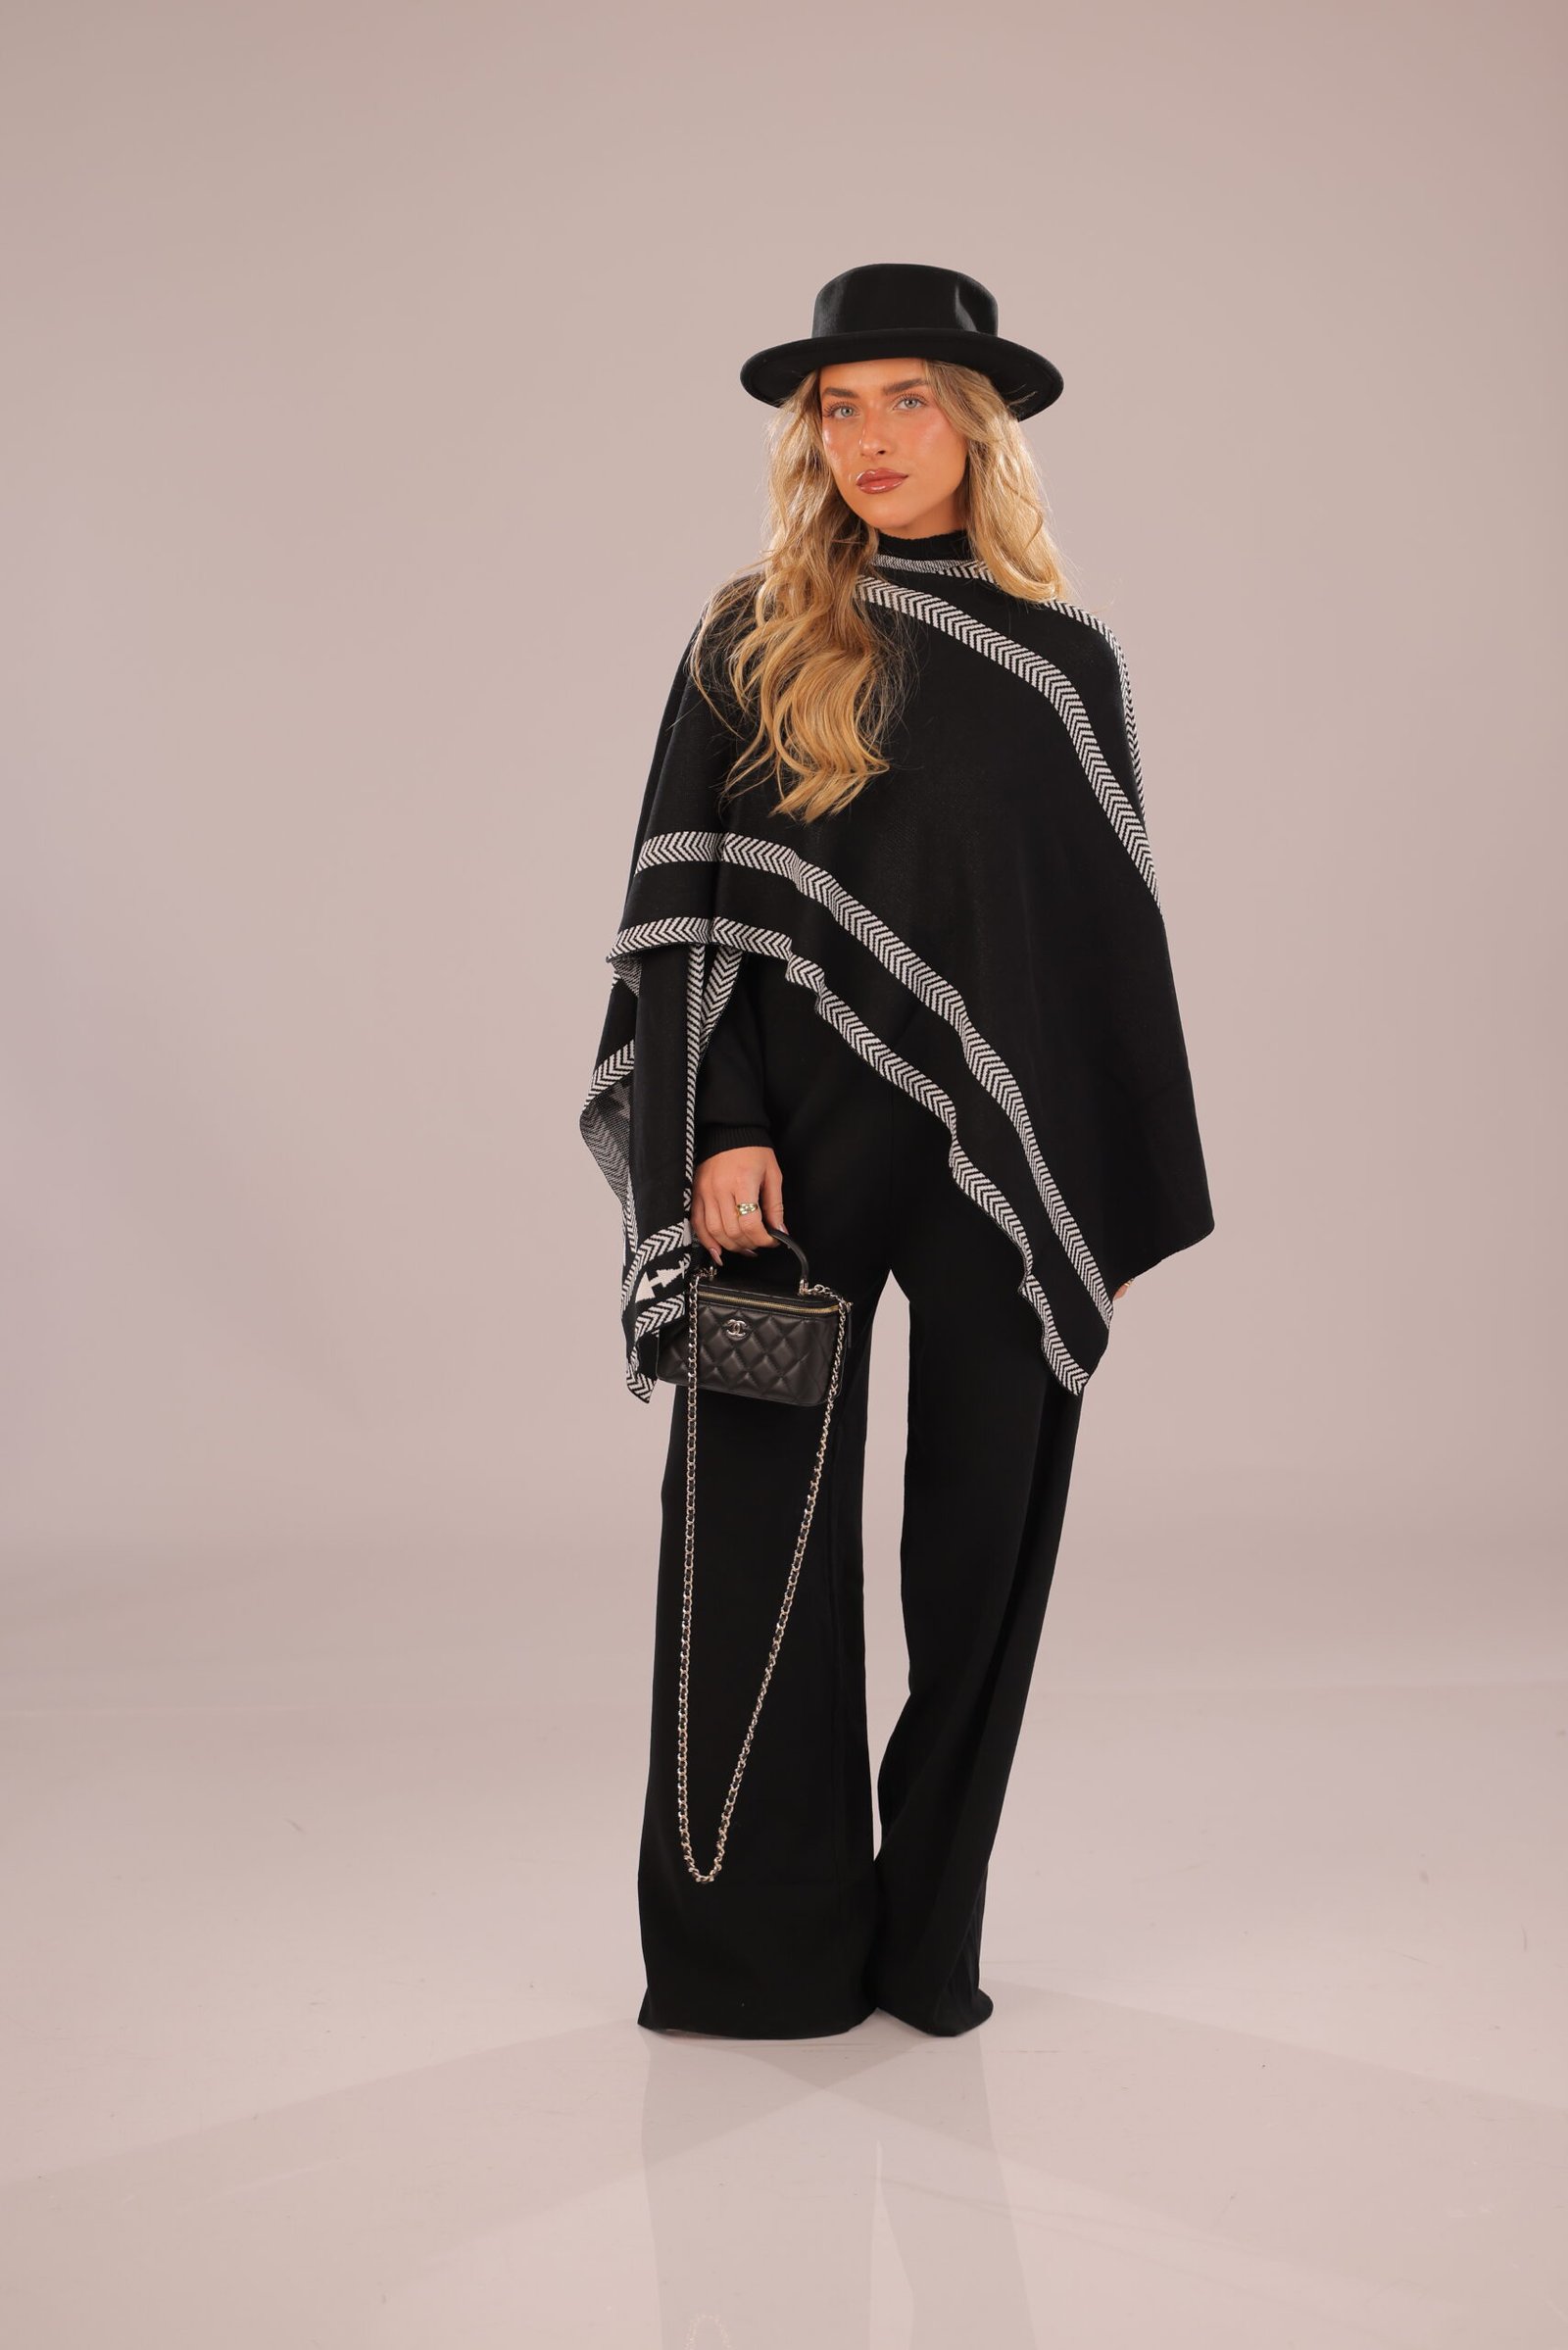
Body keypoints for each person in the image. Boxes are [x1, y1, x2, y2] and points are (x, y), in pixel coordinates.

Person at [580, 262, 1215, 2039]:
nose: (870, 437)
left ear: (976, 423)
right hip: (784, 1167)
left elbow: (1092, 952)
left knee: (979, 1554)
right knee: (749, 1538)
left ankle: (927, 1944)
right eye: (839, 407)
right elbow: (685, 912)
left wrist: (1084, 1177)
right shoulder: (748, 636)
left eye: (908, 399)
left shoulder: (1065, 666)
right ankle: (752, 1958)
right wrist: (715, 1130)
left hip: (1005, 1178)